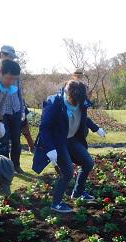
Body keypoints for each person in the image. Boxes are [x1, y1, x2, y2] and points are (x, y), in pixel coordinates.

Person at [32, 80, 106, 213]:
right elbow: (44, 127)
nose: (77, 104)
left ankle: (78, 193)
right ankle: (56, 203)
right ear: (68, 94)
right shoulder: (55, 104)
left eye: (79, 101)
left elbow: (84, 118)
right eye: (74, 101)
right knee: (68, 172)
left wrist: (96, 128)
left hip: (71, 139)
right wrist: (50, 148)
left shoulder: (80, 102)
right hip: (57, 142)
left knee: (88, 162)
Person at [0, 45, 26, 174]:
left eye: (12, 57)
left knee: (16, 141)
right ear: (1, 55)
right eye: (8, 56)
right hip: (0, 113)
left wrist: (22, 110)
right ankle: (6, 167)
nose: (10, 59)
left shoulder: (15, 72)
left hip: (15, 110)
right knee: (4, 141)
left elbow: (20, 93)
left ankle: (16, 165)